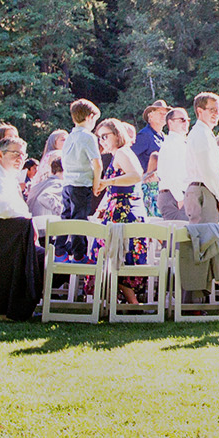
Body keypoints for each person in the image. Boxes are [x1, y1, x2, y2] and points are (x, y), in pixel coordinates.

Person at [93, 118, 150, 304]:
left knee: (118, 256)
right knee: (114, 255)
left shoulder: (122, 153)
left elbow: (135, 176)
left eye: (105, 136)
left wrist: (107, 182)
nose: (102, 141)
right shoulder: (121, 153)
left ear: (117, 135)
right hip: (119, 209)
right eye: (99, 138)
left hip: (124, 211)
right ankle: (126, 303)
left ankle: (132, 303)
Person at [57, 99, 102, 260]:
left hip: (68, 183)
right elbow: (97, 164)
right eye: (95, 120)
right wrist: (96, 185)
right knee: (79, 221)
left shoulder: (69, 136)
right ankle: (79, 254)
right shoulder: (88, 137)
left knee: (66, 217)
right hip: (82, 184)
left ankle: (59, 251)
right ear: (90, 117)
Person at [185, 93, 219, 224]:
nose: (216, 114)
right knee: (207, 239)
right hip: (203, 191)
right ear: (200, 110)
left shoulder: (204, 133)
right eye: (212, 110)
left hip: (204, 190)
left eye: (218, 110)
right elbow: (208, 171)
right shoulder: (201, 134)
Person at [156, 106, 192, 220]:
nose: (186, 123)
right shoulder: (171, 144)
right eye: (182, 119)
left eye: (187, 120)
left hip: (180, 195)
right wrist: (180, 198)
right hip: (174, 197)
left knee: (184, 236)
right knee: (177, 236)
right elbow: (168, 174)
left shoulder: (181, 142)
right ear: (170, 123)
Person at [135, 100, 170, 211]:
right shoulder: (144, 135)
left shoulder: (163, 137)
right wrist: (143, 176)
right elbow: (130, 156)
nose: (164, 116)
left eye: (165, 113)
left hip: (160, 186)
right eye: (160, 113)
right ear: (150, 115)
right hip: (146, 188)